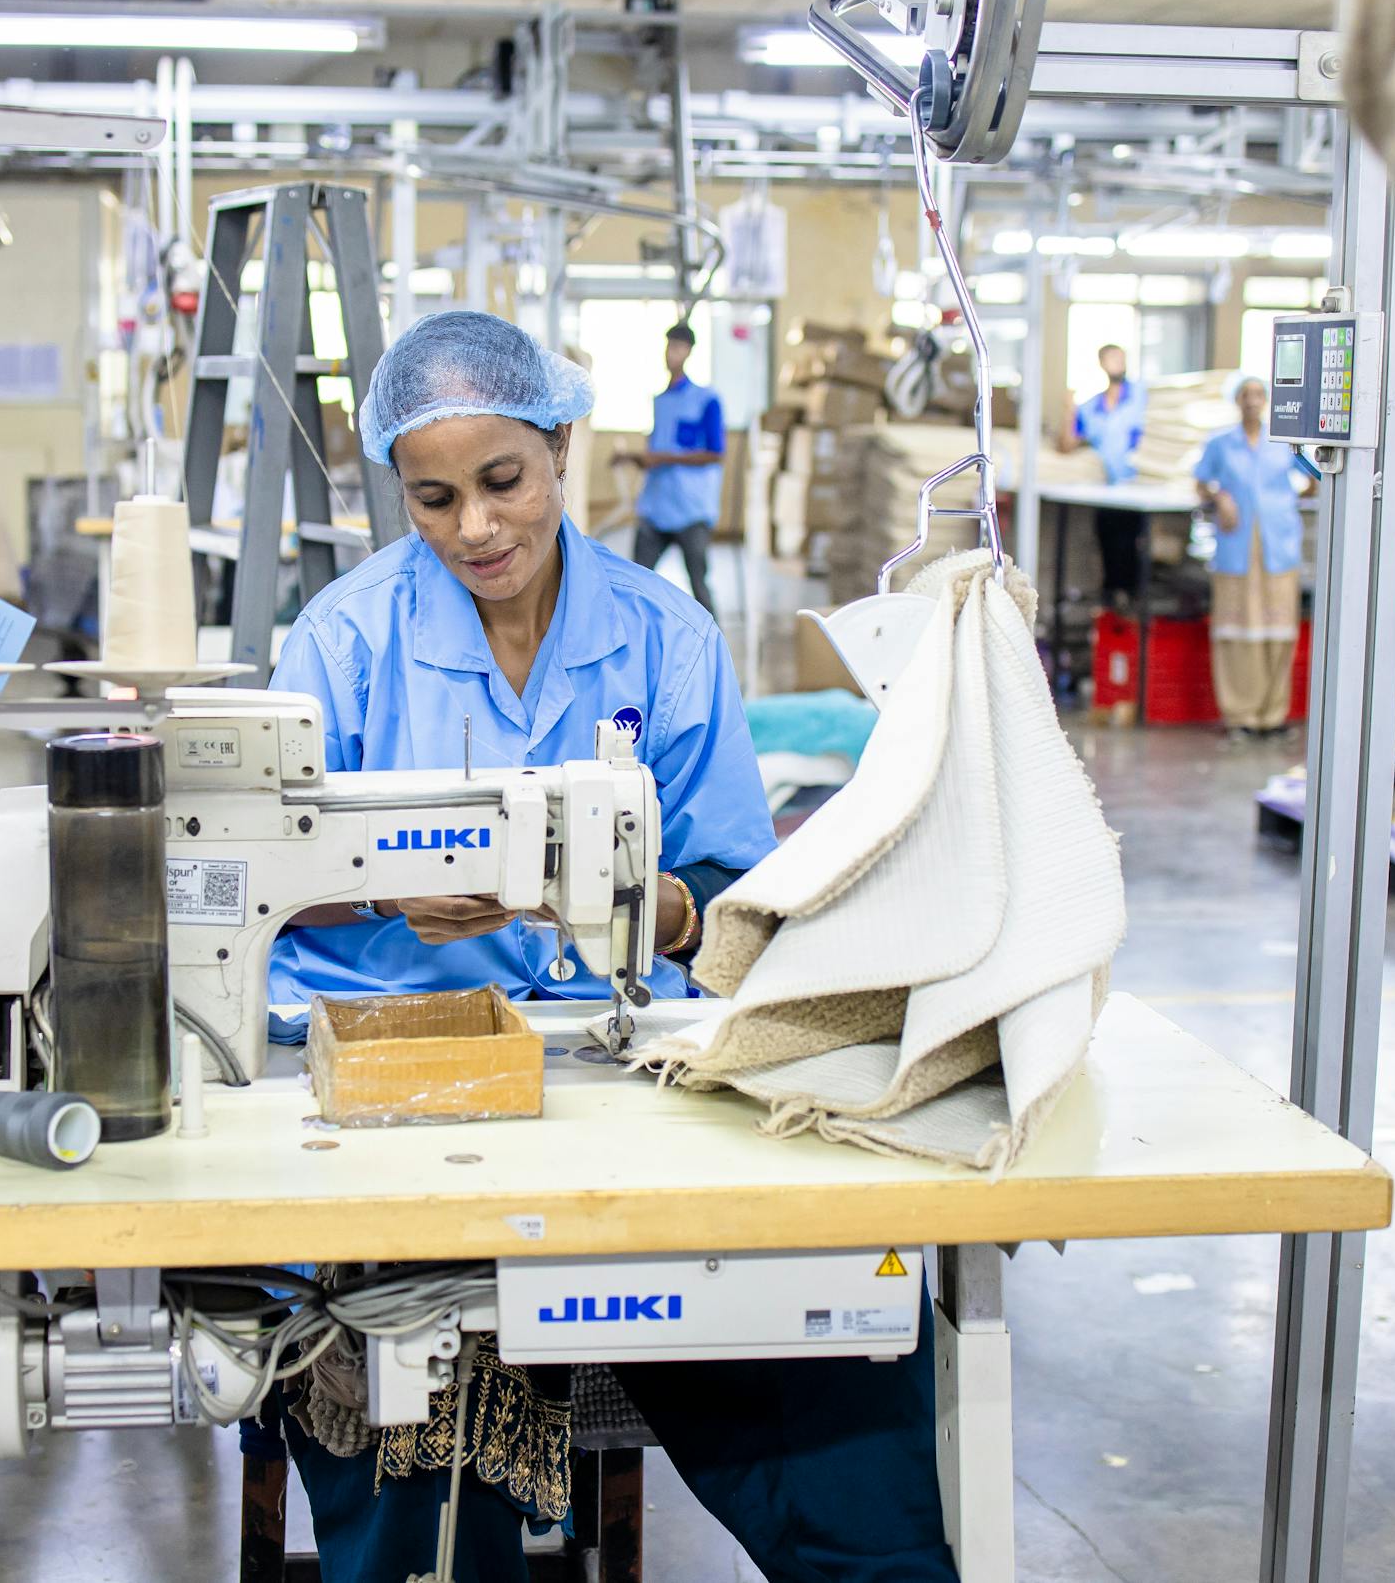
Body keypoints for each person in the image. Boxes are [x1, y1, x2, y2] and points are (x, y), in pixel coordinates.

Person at [261, 309, 961, 1583]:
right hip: (394, 1091)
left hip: (611, 1068)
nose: (476, 527)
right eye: (433, 499)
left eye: (502, 481)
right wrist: (381, 899)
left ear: (563, 444)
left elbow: (735, 888)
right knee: (407, 1415)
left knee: (828, 1343)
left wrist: (650, 906)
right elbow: (258, 866)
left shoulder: (664, 638)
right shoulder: (344, 645)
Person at [1193, 373, 1308, 738]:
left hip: (1278, 547)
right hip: (1235, 548)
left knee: (1278, 630)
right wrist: (1220, 497)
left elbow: (1317, 473)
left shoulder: (1284, 442)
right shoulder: (1221, 444)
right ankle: (1239, 714)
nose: (1253, 400)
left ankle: (1272, 715)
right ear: (1237, 400)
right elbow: (1201, 482)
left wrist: (1288, 504)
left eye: (1260, 394)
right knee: (1235, 631)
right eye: (1246, 394)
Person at [615, 320, 724, 615]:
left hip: (691, 508)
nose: (670, 353)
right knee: (635, 582)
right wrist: (634, 459)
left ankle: (715, 649)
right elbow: (657, 449)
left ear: (689, 352)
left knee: (698, 584)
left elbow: (715, 453)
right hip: (656, 505)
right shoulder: (660, 401)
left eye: (677, 347)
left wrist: (662, 458)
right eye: (668, 346)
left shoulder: (706, 400)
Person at [1058, 342, 1150, 605]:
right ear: (1102, 364)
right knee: (1110, 545)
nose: (1117, 364)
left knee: (1136, 548)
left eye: (1120, 358)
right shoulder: (1092, 408)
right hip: (1107, 491)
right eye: (1111, 359)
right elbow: (1067, 444)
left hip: (1141, 487)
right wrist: (1069, 408)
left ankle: (1134, 601)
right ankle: (1114, 604)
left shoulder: (1141, 397)